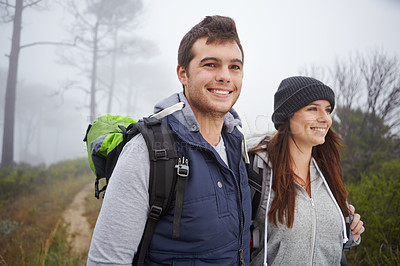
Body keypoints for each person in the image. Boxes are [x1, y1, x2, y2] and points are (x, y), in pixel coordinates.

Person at [87, 15, 252, 265]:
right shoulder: (147, 151)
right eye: (210, 64)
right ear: (183, 74)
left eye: (234, 67)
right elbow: (106, 261)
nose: (225, 77)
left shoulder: (237, 143)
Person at [248, 76, 365, 265]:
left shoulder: (328, 171)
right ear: (287, 115)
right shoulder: (257, 170)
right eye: (313, 109)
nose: (324, 118)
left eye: (327, 110)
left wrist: (350, 233)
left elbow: (332, 243)